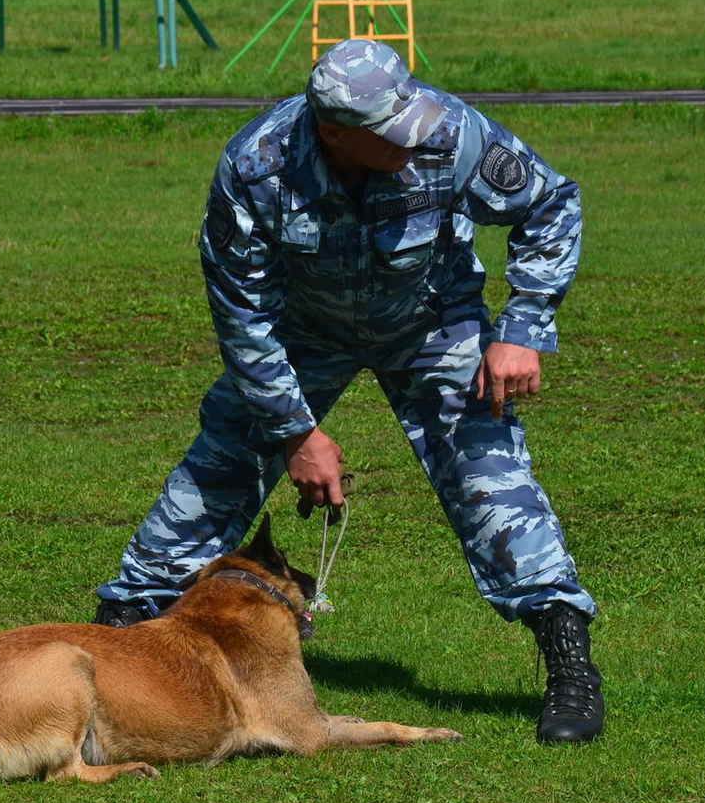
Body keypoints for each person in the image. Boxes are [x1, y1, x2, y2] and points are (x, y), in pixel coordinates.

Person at [93, 39, 603, 744]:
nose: (413, 137)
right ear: (334, 131)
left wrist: (522, 326)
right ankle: (117, 644)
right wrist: (296, 432)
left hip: (432, 322)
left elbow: (551, 205)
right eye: (390, 133)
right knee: (212, 479)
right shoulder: (256, 167)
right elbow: (242, 315)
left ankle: (571, 666)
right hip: (302, 334)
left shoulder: (451, 131)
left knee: (495, 486)